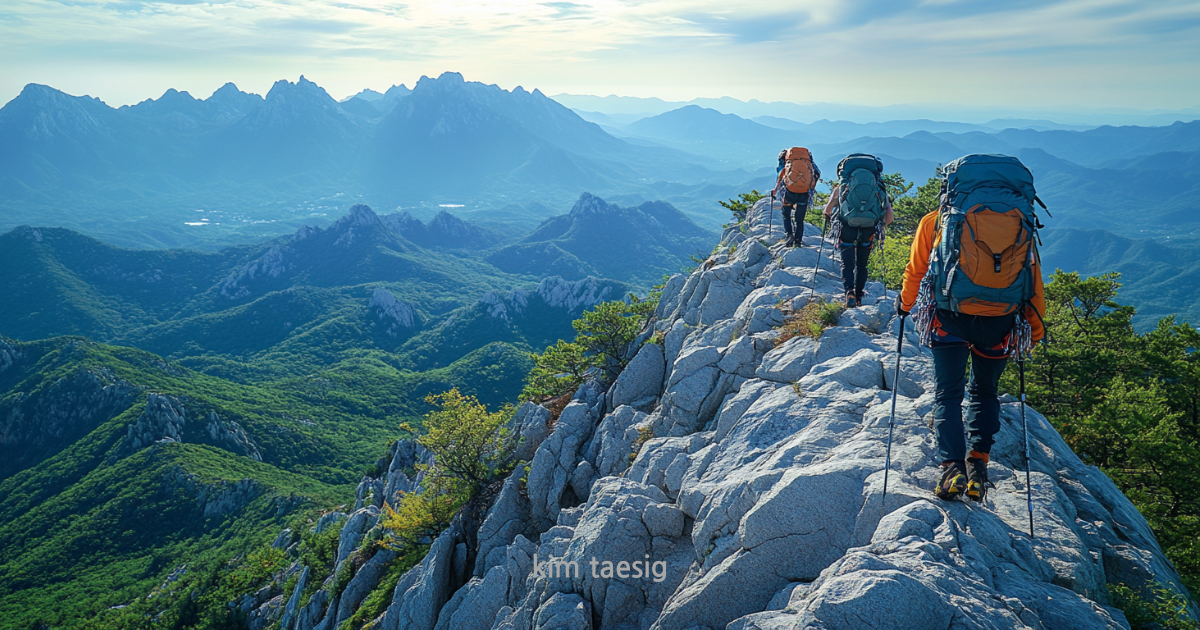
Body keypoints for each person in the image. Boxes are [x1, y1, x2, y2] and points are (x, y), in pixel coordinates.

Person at [895, 210, 1046, 502]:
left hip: (949, 319)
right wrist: (1035, 331)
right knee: (985, 393)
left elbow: (916, 269)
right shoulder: (1019, 223)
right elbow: (1033, 280)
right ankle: (977, 465)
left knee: (948, 395)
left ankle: (953, 469)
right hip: (1001, 323)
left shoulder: (936, 220)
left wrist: (905, 305)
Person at [823, 182, 892, 308]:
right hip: (868, 228)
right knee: (862, 264)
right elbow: (889, 218)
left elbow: (827, 210)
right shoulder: (879, 188)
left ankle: (849, 292)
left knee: (847, 263)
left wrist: (830, 217)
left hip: (847, 227)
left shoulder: (842, 187)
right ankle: (859, 295)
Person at [776, 149, 821, 248]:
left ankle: (789, 236)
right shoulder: (809, 162)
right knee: (799, 220)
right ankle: (798, 240)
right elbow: (817, 173)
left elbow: (780, 176)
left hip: (789, 193)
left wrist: (776, 191)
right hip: (804, 193)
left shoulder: (786, 162)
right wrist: (811, 188)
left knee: (786, 214)